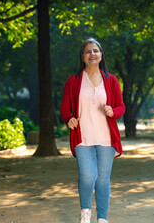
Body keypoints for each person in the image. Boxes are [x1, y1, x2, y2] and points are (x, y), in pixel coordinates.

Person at [60, 38, 125, 223]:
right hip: (83, 138)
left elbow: (121, 107)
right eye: (88, 51)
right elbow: (65, 109)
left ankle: (102, 219)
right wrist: (69, 119)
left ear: (101, 55)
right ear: (82, 57)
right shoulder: (73, 81)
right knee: (88, 176)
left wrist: (113, 111)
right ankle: (85, 214)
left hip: (106, 138)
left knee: (103, 180)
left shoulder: (111, 80)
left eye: (95, 50)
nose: (92, 54)